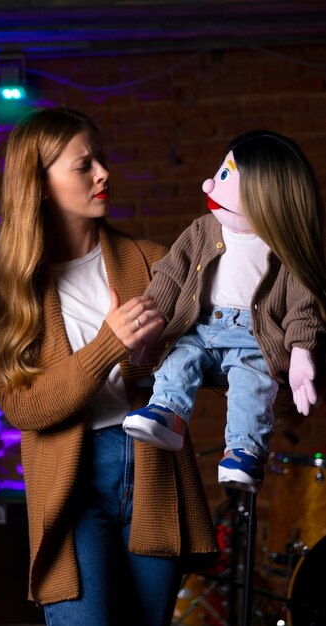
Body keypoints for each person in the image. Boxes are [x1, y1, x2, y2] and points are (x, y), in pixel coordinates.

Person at [0, 106, 219, 626]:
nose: (103, 173)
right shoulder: (15, 292)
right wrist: (108, 344)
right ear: (40, 184)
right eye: (83, 165)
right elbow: (23, 406)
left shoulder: (153, 263)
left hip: (153, 471)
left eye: (103, 159)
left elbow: (222, 359)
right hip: (73, 482)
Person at [123, 129, 326, 494]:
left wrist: (301, 351)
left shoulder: (284, 250)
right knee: (178, 358)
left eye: (226, 176)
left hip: (255, 337)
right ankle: (168, 413)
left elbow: (303, 307)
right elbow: (170, 274)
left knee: (253, 382)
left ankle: (244, 451)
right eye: (220, 173)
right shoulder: (203, 229)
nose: (209, 185)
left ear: (267, 191)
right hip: (199, 326)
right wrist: (154, 322)